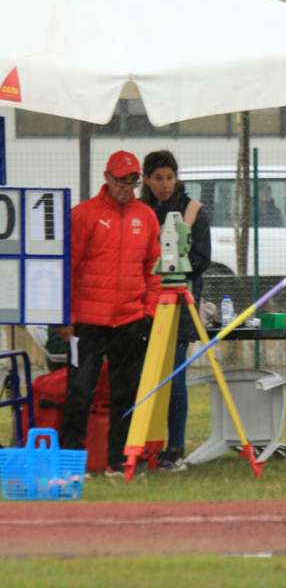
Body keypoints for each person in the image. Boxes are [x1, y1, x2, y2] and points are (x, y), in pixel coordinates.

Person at [60, 150, 161, 476]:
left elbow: (154, 269)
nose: (125, 187)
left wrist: (148, 312)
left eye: (131, 181)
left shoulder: (145, 216)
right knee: (79, 391)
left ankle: (119, 461)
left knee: (126, 394)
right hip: (88, 322)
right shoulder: (83, 215)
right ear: (107, 178)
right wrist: (67, 316)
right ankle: (72, 461)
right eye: (120, 180)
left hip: (130, 321)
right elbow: (68, 269)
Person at [141, 150, 211, 471]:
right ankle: (142, 443)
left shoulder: (192, 211)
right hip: (143, 304)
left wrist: (172, 269)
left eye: (170, 177)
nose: (165, 184)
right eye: (158, 178)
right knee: (142, 377)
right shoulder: (140, 211)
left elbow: (201, 259)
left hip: (179, 306)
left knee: (174, 377)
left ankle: (175, 445)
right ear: (147, 179)